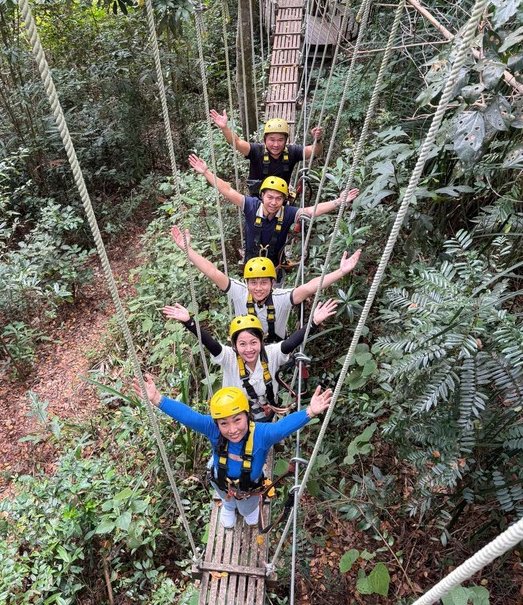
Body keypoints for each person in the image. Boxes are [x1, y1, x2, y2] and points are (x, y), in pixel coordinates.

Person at [133, 375, 333, 528]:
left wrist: (309, 412)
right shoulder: (213, 429)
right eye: (224, 423)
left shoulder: (262, 435)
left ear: (247, 416)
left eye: (237, 420)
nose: (232, 429)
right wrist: (158, 399)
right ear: (217, 423)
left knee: (249, 509)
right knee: (225, 496)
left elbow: (282, 427)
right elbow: (188, 416)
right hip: (221, 479)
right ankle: (228, 506)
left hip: (250, 487)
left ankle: (245, 510)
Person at [170, 225, 362, 340]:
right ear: (247, 283)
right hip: (245, 350)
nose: (258, 288)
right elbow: (212, 272)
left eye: (264, 283)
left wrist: (340, 271)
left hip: (276, 351)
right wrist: (188, 251)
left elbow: (310, 287)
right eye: (253, 283)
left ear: (272, 283)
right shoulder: (239, 292)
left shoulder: (282, 298)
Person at [162, 301, 338, 422]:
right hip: (234, 418)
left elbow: (291, 342)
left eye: (254, 342)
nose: (249, 349)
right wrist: (189, 322)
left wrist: (314, 323)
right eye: (243, 344)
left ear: (261, 342)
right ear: (234, 345)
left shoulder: (271, 353)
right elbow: (211, 344)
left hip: (265, 415)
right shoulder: (229, 357)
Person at [188, 155, 359, 268]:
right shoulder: (251, 205)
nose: (274, 202)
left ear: (284, 199)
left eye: (279, 198)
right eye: (270, 197)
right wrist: (206, 173)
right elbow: (227, 190)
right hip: (251, 264)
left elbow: (311, 211)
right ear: (262, 195)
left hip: (275, 267)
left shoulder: (288, 212)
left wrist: (338, 201)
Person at [210, 111, 323, 195]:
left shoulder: (292, 152)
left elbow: (314, 151)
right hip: (256, 202)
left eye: (280, 140)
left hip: (280, 201)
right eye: (272, 140)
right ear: (265, 139)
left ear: (286, 140)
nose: (276, 144)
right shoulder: (256, 151)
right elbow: (237, 142)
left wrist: (317, 140)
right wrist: (225, 128)